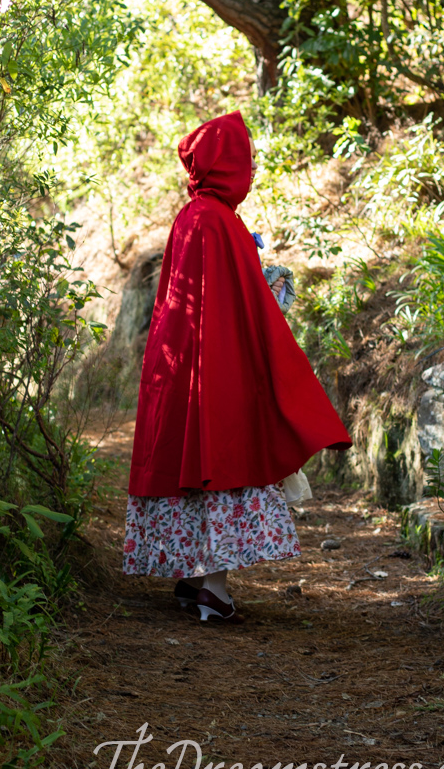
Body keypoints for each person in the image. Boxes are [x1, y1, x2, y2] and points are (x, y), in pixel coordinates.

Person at [122, 111, 351, 623]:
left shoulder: (190, 217)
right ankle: (214, 589)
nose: (250, 171)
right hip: (216, 369)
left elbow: (214, 297)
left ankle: (194, 578)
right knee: (221, 457)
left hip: (183, 369)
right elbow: (234, 303)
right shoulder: (219, 221)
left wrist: (258, 283)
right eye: (245, 161)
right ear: (227, 166)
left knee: (190, 456)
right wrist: (269, 292)